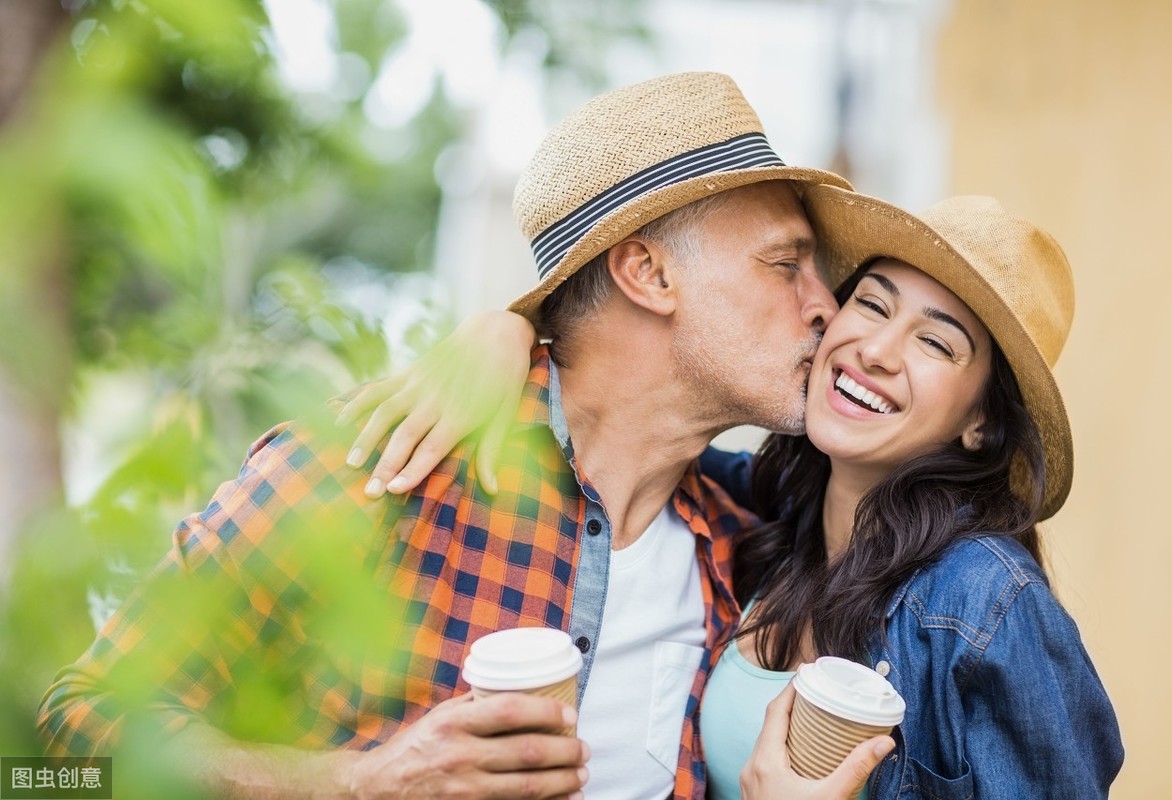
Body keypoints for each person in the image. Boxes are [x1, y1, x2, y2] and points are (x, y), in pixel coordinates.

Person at [38, 72, 893, 800]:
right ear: (647, 272)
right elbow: (63, 750)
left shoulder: (744, 553)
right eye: (786, 264)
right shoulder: (374, 468)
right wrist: (363, 782)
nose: (828, 307)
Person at [341, 188, 1125, 797]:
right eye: (873, 304)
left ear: (982, 423)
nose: (877, 350)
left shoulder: (985, 600)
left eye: (934, 342)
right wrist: (507, 331)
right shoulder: (764, 514)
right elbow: (625, 430)